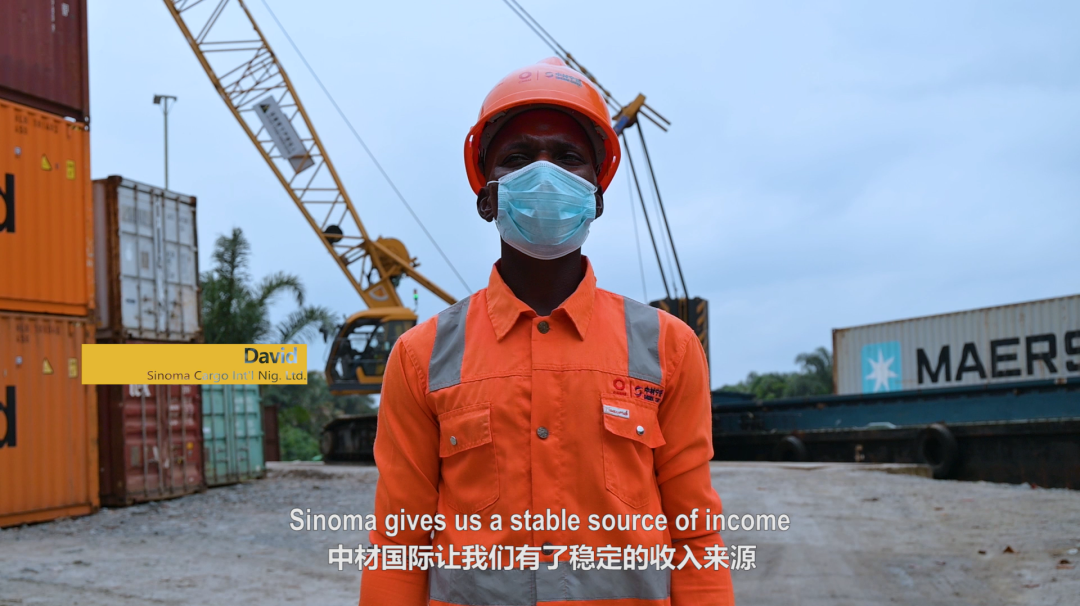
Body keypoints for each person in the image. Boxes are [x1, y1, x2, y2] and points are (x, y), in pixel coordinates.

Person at [358, 57, 735, 606]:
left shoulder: (668, 347)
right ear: (486, 198)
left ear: (596, 197)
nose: (544, 173)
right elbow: (399, 544)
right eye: (517, 158)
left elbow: (695, 537)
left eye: (567, 157)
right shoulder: (421, 357)